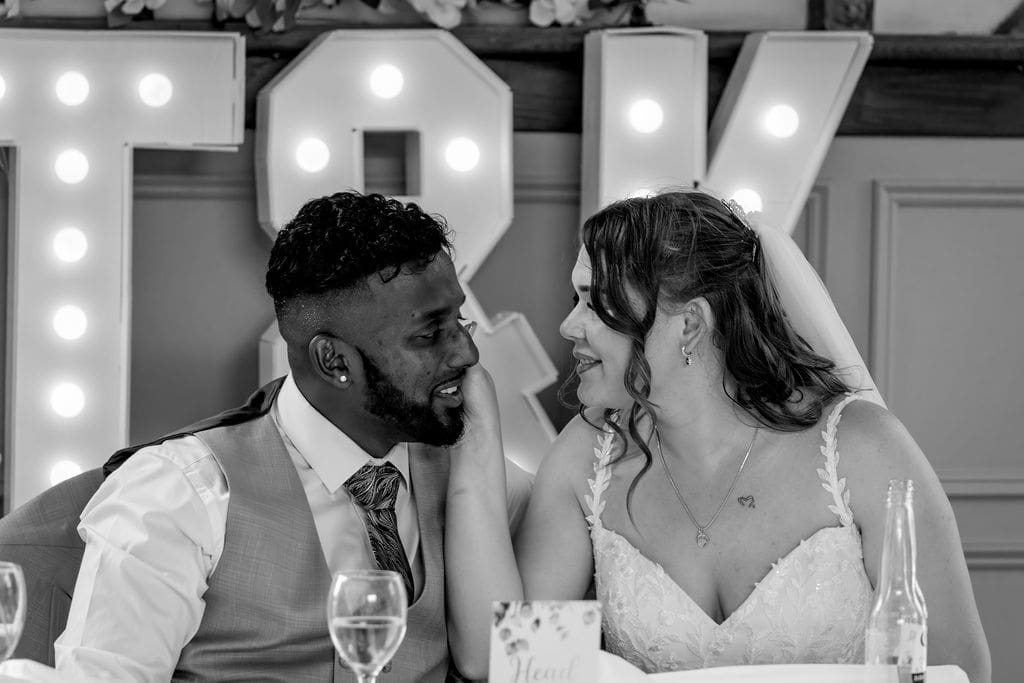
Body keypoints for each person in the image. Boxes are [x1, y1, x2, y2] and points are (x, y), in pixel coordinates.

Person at [448, 190, 991, 682]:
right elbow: (500, 660)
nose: (570, 327)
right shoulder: (588, 454)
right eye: (576, 301)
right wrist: (477, 433)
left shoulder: (863, 449)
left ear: (689, 324)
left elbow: (955, 669)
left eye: (597, 303)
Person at [51, 191, 532, 682]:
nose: (467, 352)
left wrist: (478, 442)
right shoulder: (179, 493)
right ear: (334, 361)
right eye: (429, 335)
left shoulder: (470, 476)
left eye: (460, 321)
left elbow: (522, 664)